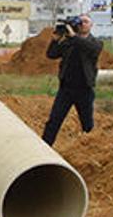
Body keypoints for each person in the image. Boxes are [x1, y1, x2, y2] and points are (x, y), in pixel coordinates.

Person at [42, 14, 102, 146]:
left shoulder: (95, 43)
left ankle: (90, 149)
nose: (82, 24)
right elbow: (51, 55)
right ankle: (45, 147)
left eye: (86, 22)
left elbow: (90, 49)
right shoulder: (68, 42)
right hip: (66, 89)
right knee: (54, 120)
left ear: (91, 25)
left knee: (87, 124)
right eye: (80, 21)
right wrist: (55, 40)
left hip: (84, 89)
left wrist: (74, 36)